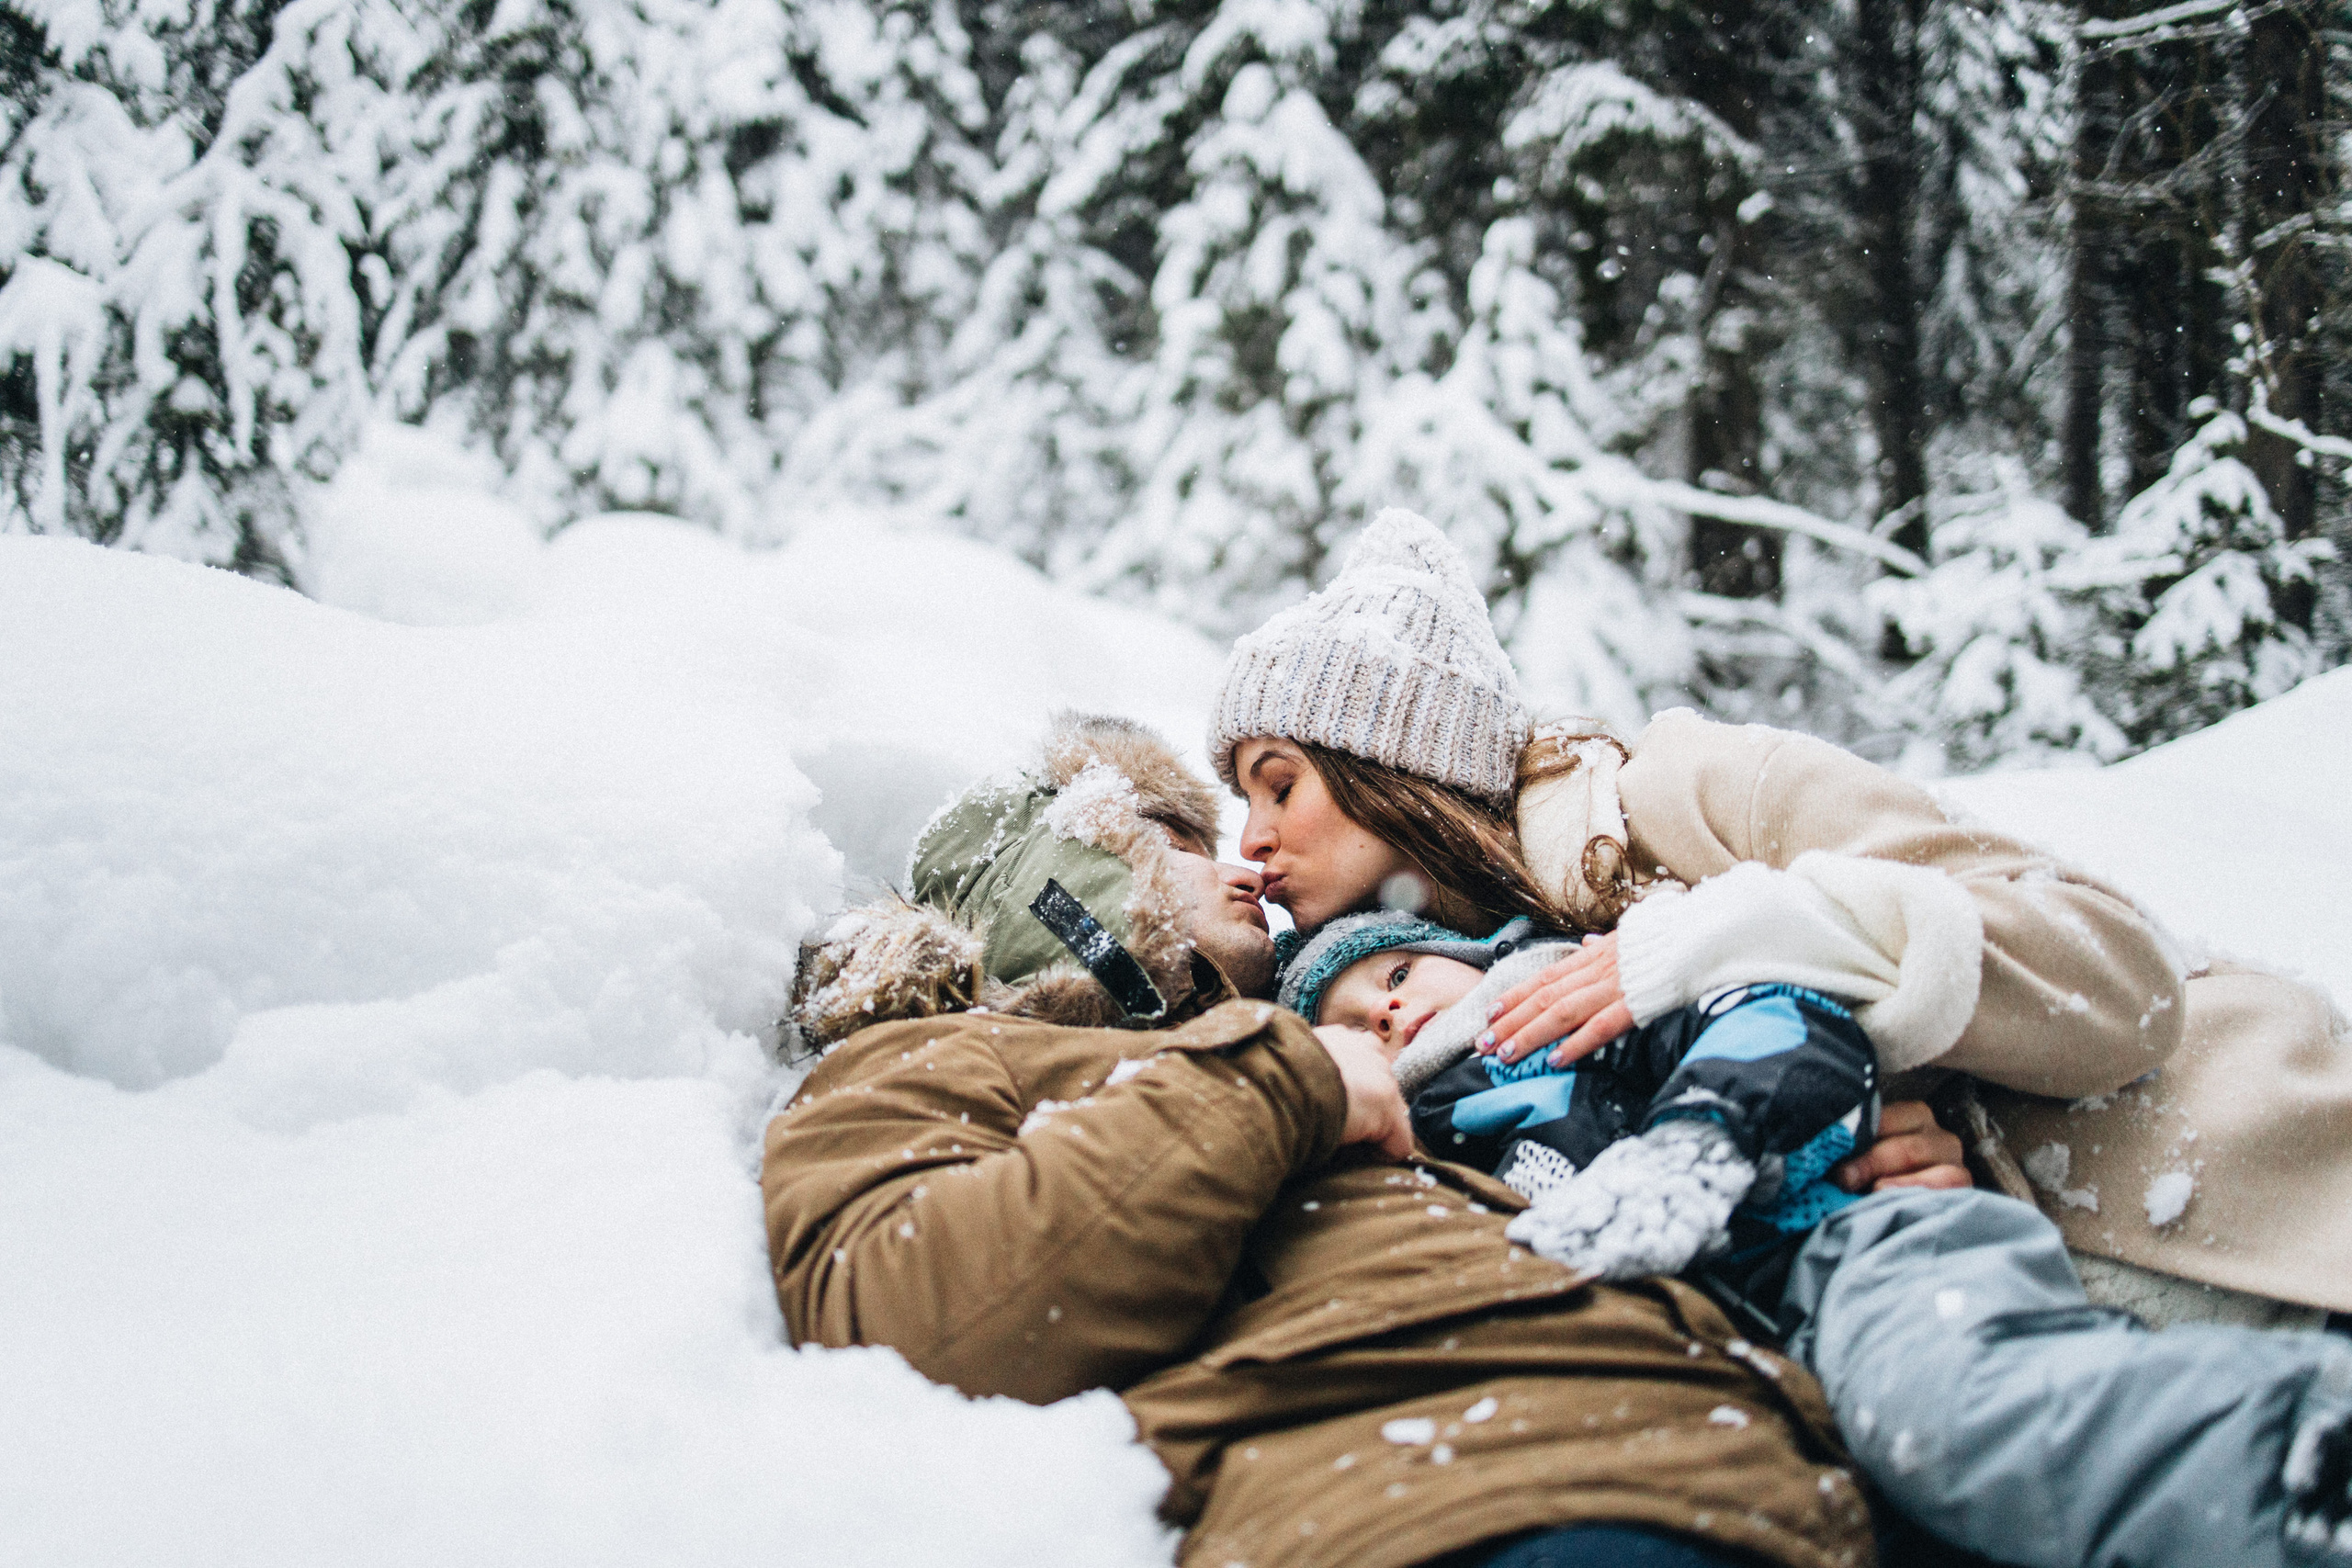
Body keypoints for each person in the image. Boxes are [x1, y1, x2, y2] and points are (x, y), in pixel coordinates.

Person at [765, 713, 1966, 1568]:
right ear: (1068, 876)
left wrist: (1808, 1160)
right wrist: (1275, 1081)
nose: (1242, 863)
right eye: (1178, 841)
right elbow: (918, 1313)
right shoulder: (942, 1058)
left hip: (1789, 1471)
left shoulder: (1380, 1016)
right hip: (1444, 1493)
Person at [1208, 506, 2352, 1333]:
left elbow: (2115, 977)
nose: (1251, 838)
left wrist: (1745, 933)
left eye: (1279, 785)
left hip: (2261, 1209)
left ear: (1395, 766)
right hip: (2023, 1345)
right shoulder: (1407, 1014)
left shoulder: (1682, 791)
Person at [1283, 911, 2352, 1568]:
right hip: (1738, 1359)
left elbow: (1778, 1015)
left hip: (1843, 1244)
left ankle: (2292, 1464)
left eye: (1395, 976)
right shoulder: (1421, 1148)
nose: (1387, 1015)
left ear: (1463, 954)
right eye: (1350, 1021)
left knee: (1959, 1409)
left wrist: (1707, 1132)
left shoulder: (1572, 1002)